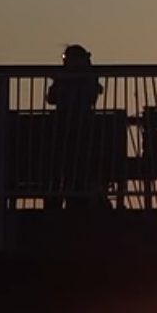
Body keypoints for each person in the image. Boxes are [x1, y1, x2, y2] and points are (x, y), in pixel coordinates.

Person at [46, 45, 105, 208]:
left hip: (69, 130)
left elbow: (51, 98)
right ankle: (76, 197)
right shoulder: (90, 79)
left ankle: (61, 199)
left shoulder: (69, 80)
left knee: (64, 162)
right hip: (78, 130)